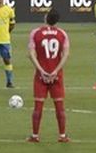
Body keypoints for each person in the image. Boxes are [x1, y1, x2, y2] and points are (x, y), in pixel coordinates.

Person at [27, 9, 70, 143]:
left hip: (41, 76)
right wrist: (56, 71)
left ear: (46, 18)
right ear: (57, 21)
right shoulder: (62, 34)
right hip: (57, 76)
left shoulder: (36, 33)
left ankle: (35, 136)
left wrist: (41, 70)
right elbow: (65, 55)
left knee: (38, 106)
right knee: (60, 106)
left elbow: (31, 54)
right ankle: (62, 136)